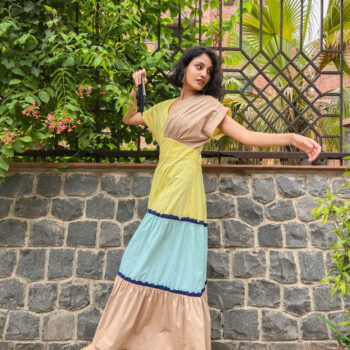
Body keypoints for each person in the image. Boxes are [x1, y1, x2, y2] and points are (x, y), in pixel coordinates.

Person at [83, 46, 321, 350]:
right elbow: (129, 118)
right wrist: (136, 86)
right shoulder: (163, 108)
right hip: (162, 186)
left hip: (184, 191)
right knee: (141, 260)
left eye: (208, 71)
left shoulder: (209, 106)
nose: (203, 74)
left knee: (178, 264)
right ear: (183, 69)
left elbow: (246, 136)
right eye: (198, 67)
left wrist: (291, 138)